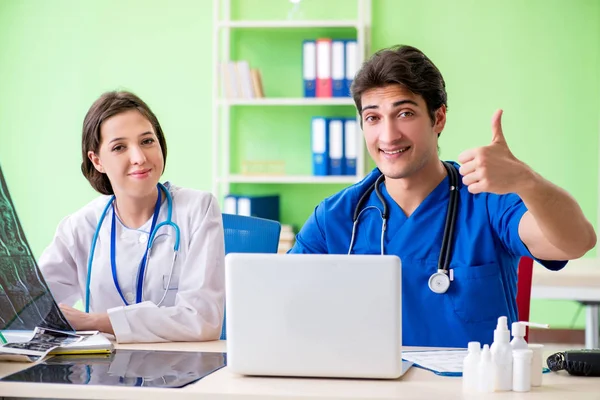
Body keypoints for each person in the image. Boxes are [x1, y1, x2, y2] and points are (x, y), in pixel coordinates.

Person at [289, 45, 596, 347]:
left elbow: (575, 242)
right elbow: (282, 302)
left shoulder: (486, 199)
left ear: (438, 118)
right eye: (373, 118)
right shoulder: (337, 217)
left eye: (405, 113)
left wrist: (526, 180)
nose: (388, 135)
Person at [39, 91, 225, 343]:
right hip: (101, 372)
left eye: (147, 141)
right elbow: (31, 308)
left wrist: (93, 321)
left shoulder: (198, 209)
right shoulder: (80, 227)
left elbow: (202, 320)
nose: (139, 158)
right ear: (97, 161)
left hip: (182, 369)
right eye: (119, 147)